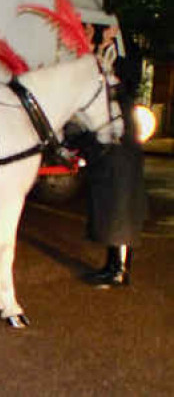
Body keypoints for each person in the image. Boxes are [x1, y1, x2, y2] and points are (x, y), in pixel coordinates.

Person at [77, 25, 148, 287]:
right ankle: (112, 266)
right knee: (111, 206)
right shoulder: (104, 60)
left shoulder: (122, 81)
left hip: (123, 149)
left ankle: (119, 270)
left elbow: (123, 79)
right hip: (113, 148)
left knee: (121, 206)